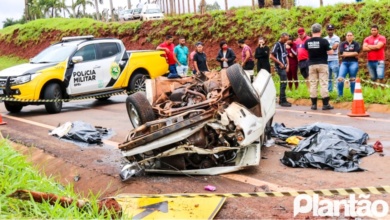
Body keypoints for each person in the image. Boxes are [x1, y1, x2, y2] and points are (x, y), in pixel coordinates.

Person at [304, 23, 334, 110]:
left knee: (313, 84)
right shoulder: (324, 41)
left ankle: (313, 104)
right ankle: (325, 104)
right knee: (323, 83)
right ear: (320, 31)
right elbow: (330, 52)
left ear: (311, 31)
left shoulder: (307, 41)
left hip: (311, 64)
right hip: (322, 64)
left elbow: (306, 50)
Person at [338, 31, 361, 100]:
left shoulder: (356, 44)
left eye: (350, 35)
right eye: (348, 35)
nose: (349, 36)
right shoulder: (342, 44)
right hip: (344, 63)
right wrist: (353, 53)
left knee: (352, 79)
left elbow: (357, 52)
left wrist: (346, 54)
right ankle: (340, 95)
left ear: (353, 36)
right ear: (346, 37)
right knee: (340, 79)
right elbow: (342, 52)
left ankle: (353, 95)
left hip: (353, 62)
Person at [270, 33, 291, 107]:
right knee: (283, 83)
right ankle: (282, 100)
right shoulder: (277, 45)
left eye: (287, 40)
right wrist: (280, 63)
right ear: (281, 37)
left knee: (284, 83)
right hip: (279, 67)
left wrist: (288, 65)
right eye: (285, 39)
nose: (286, 41)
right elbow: (271, 56)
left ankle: (283, 100)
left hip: (284, 67)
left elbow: (286, 56)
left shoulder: (283, 45)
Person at [324, 24, 340, 92]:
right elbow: (325, 48)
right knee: (328, 76)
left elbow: (335, 47)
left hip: (334, 58)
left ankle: (336, 90)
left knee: (336, 75)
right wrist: (329, 48)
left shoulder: (336, 38)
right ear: (326, 30)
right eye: (329, 30)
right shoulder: (324, 39)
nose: (330, 31)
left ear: (333, 30)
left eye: (331, 30)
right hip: (326, 59)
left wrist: (327, 48)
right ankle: (329, 90)